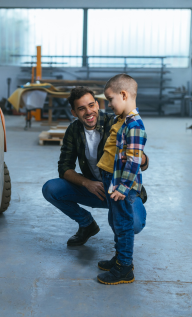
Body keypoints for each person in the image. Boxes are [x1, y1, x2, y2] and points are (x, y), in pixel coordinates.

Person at [42, 86, 148, 247]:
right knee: (51, 188)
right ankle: (87, 225)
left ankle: (121, 251)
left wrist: (140, 158)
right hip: (96, 188)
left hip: (121, 190)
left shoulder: (117, 123)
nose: (88, 112)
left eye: (91, 105)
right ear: (74, 113)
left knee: (134, 224)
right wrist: (86, 183)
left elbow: (144, 164)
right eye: (81, 108)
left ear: (98, 105)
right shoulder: (74, 130)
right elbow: (64, 168)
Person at [96, 74, 147, 285]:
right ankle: (120, 259)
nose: (109, 104)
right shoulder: (122, 121)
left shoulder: (134, 125)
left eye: (110, 99)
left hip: (121, 184)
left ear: (123, 95)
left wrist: (124, 187)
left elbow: (134, 162)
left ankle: (125, 268)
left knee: (124, 224)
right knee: (118, 222)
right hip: (113, 180)